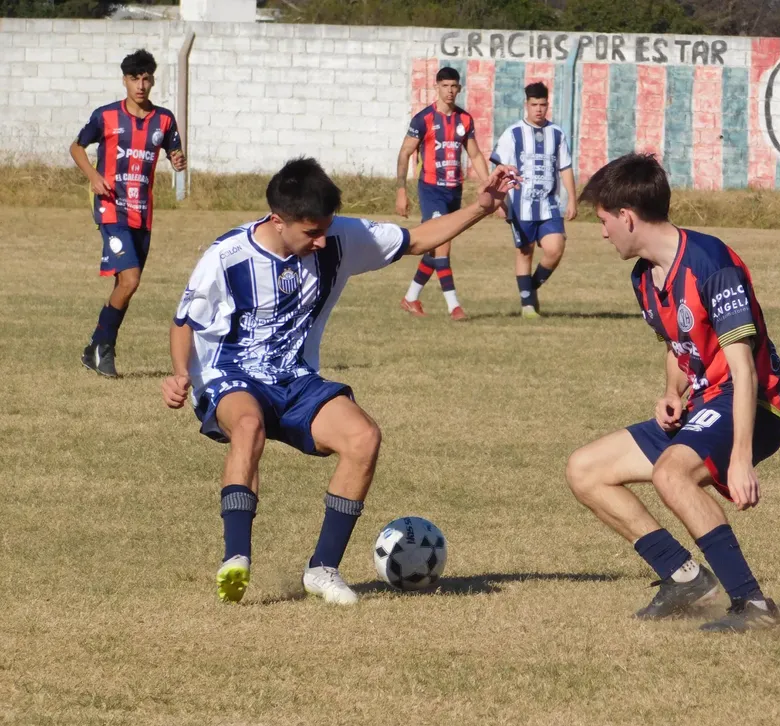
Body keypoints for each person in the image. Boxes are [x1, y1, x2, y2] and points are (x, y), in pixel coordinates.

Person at [161, 157, 517, 605]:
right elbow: (183, 322)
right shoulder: (227, 256)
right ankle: (236, 559)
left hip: (295, 378)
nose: (322, 240)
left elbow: (418, 238)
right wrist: (179, 374)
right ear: (278, 220)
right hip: (231, 376)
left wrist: (482, 206)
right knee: (248, 427)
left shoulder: (339, 237)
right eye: (311, 232)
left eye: (326, 228)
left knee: (363, 437)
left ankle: (323, 569)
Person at [565, 153, 780, 633]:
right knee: (585, 469)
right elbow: (679, 343)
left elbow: (744, 369)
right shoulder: (644, 277)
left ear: (627, 217)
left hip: (752, 402)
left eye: (604, 221)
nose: (602, 232)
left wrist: (741, 457)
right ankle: (684, 577)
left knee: (672, 474)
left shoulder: (710, 263)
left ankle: (753, 606)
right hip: (705, 401)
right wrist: (672, 391)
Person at [72, 49, 187, 377]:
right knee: (131, 279)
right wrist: (93, 176)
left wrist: (177, 161)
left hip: (142, 213)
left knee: (127, 284)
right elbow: (76, 146)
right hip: (111, 209)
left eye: (146, 78)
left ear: (152, 80)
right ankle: (104, 349)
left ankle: (96, 347)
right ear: (125, 81)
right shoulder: (106, 116)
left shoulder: (163, 120)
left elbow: (174, 152)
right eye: (134, 78)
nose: (141, 84)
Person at [395, 67, 491, 321]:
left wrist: (490, 183)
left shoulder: (464, 120)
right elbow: (404, 153)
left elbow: (475, 155)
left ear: (459, 89)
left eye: (454, 86)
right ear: (436, 87)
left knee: (435, 245)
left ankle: (411, 298)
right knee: (441, 245)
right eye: (445, 86)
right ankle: (454, 306)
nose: (450, 91)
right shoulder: (423, 119)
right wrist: (401, 190)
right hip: (431, 189)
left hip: (453, 190)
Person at [491, 82, 576, 318]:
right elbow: (499, 168)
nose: (538, 109)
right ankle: (528, 306)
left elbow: (565, 168)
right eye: (534, 104)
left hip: (549, 204)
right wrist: (499, 201)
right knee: (525, 252)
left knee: (555, 248)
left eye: (543, 104)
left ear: (547, 104)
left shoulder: (557, 134)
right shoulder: (512, 134)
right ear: (526, 105)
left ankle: (530, 288)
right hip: (520, 204)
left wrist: (572, 200)